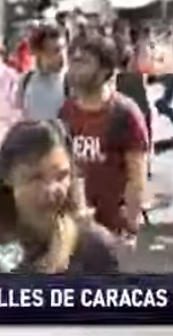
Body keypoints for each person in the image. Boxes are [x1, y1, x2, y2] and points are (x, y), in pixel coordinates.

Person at [0, 120, 119, 274]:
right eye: (35, 177)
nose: (51, 190)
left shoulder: (96, 248)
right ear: (8, 177)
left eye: (61, 176)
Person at [59, 36, 150, 246]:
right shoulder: (66, 112)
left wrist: (131, 227)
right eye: (73, 60)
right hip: (73, 230)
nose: (74, 68)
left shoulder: (125, 113)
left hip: (111, 233)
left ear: (104, 71)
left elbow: (136, 178)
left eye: (84, 62)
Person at [16, 25, 67, 121]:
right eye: (55, 51)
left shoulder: (70, 81)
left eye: (63, 49)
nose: (62, 55)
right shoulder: (26, 81)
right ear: (38, 52)